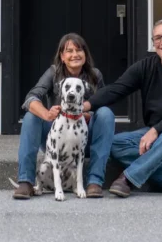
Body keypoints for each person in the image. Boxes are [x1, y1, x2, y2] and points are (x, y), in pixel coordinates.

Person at [83, 19, 162, 197]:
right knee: (111, 143)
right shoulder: (146, 67)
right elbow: (117, 89)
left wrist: (156, 129)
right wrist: (85, 105)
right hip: (158, 133)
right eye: (158, 38)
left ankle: (128, 179)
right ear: (154, 43)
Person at [14, 33, 116, 199]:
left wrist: (89, 114)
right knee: (31, 116)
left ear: (85, 54)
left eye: (79, 50)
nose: (75, 54)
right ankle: (25, 181)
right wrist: (47, 114)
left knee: (105, 114)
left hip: (84, 135)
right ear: (62, 56)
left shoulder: (95, 75)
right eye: (69, 51)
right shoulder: (53, 73)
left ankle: (94, 181)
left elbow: (104, 101)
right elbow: (31, 98)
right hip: (56, 136)